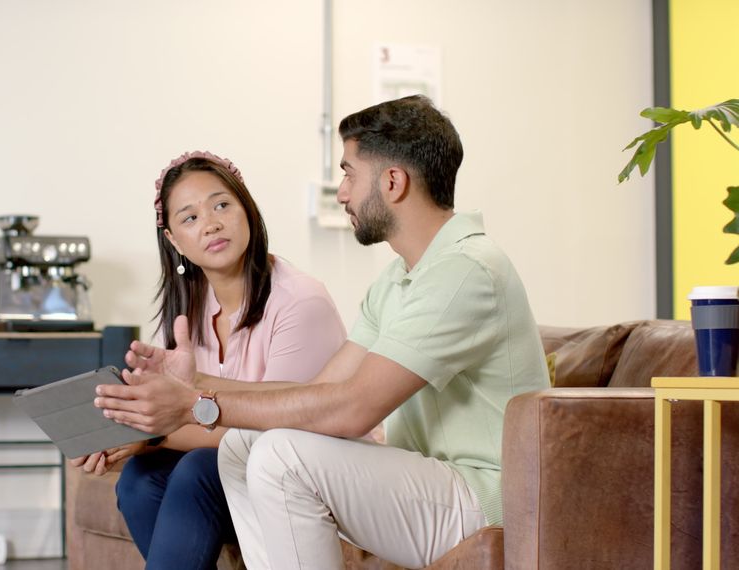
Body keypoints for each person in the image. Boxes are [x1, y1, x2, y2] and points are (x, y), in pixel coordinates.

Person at [94, 96, 550, 569]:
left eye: (350, 173)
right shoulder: (398, 281)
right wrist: (194, 387)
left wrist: (194, 403)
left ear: (393, 182)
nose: (343, 192)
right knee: (244, 446)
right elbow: (319, 392)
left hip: (489, 498)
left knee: (281, 452)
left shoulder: (464, 271)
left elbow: (352, 408)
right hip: (431, 481)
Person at [70, 151, 345, 569]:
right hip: (239, 474)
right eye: (190, 217)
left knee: (197, 468)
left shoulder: (300, 301)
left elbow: (278, 428)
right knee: (139, 480)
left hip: (303, 474)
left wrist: (150, 435)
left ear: (247, 210)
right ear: (174, 241)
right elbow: (174, 411)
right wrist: (123, 436)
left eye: (221, 205)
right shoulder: (189, 309)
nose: (211, 223)